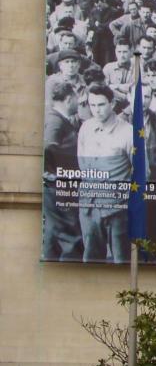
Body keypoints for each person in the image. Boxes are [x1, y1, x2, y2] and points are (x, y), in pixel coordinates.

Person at [77, 84, 133, 264]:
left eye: (101, 105)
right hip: (89, 206)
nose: (96, 110)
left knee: (121, 261)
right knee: (91, 259)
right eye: (92, 105)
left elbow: (141, 172)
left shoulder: (128, 132)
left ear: (112, 103)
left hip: (117, 209)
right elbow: (82, 163)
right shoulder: (85, 127)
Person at [42, 80, 82, 261]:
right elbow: (49, 147)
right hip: (59, 187)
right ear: (68, 99)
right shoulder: (55, 122)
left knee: (54, 232)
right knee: (70, 233)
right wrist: (56, 174)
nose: (78, 101)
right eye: (76, 97)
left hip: (56, 186)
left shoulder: (58, 119)